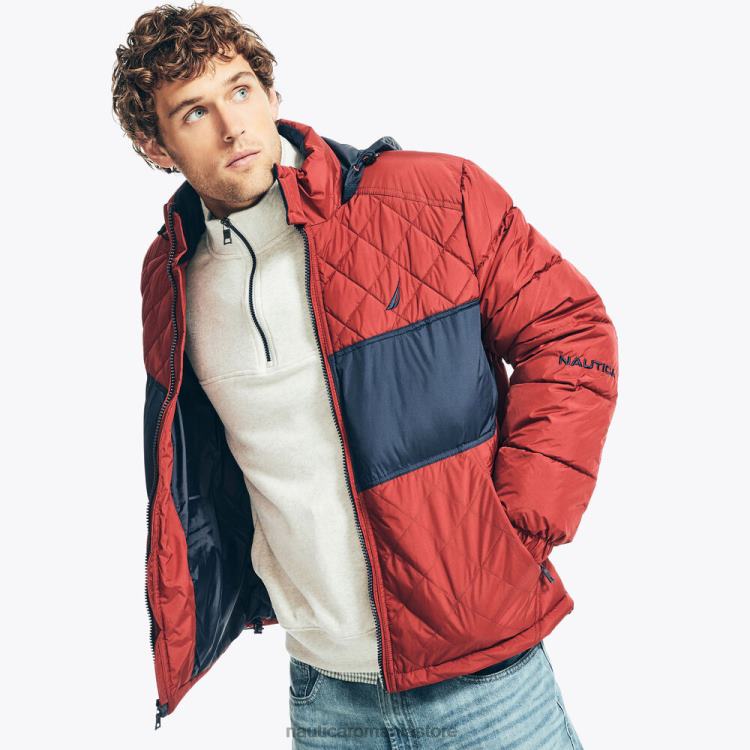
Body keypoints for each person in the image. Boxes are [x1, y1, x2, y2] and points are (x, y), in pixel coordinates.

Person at [112, 4, 618, 747]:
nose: (233, 126)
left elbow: (570, 332)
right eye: (195, 111)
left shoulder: (435, 195)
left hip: (488, 682)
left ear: (272, 94)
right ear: (154, 146)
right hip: (324, 695)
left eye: (242, 90)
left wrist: (515, 531)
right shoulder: (172, 278)